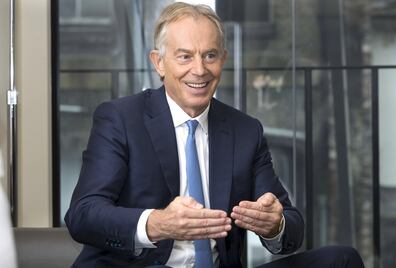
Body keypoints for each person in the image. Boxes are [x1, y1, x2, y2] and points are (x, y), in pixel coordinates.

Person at [65, 2, 365, 268]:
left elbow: (290, 224)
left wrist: (275, 225)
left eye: (209, 55)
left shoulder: (245, 131)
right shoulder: (120, 119)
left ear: (223, 59)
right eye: (184, 57)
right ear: (158, 63)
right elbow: (83, 214)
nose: (199, 70)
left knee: (342, 259)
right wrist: (159, 223)